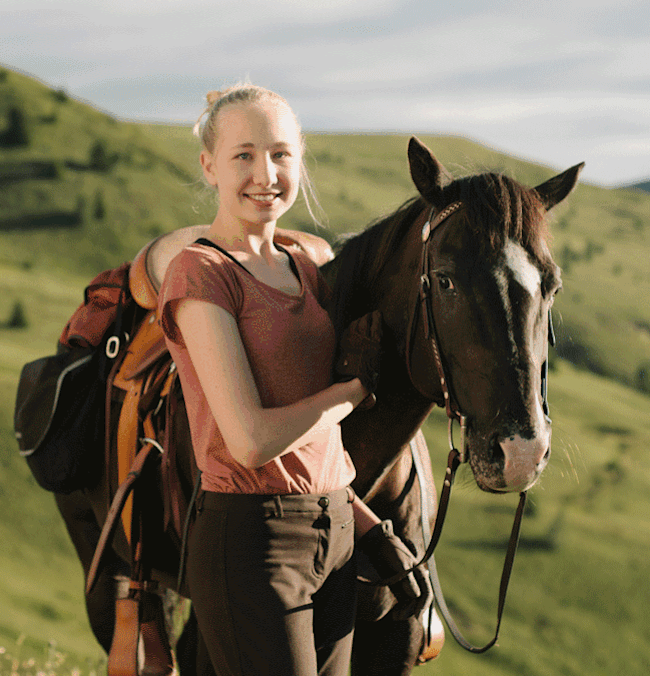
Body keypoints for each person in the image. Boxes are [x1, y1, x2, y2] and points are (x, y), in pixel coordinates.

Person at [158, 83, 424, 676]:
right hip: (255, 541)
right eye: (243, 155)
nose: (265, 173)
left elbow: (316, 445)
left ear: (300, 160)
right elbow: (251, 441)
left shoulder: (310, 269)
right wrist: (349, 395)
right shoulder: (201, 272)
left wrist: (369, 527)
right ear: (209, 167)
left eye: (280, 154)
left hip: (336, 528)